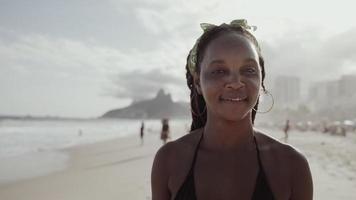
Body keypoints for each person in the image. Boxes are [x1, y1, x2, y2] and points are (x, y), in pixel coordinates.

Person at [151, 19, 313, 200]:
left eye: (249, 70)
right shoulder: (169, 161)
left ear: (261, 80)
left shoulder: (292, 165)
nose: (236, 82)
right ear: (197, 82)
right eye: (219, 71)